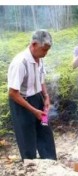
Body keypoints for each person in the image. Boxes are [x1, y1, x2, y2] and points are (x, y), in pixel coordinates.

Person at [7, 30, 56, 160]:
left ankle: (51, 163)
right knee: (27, 137)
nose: (45, 53)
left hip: (37, 97)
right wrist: (34, 111)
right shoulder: (20, 62)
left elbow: (41, 79)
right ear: (34, 44)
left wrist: (46, 96)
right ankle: (30, 167)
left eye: (47, 50)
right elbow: (12, 93)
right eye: (44, 50)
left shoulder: (40, 58)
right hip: (21, 102)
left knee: (45, 132)